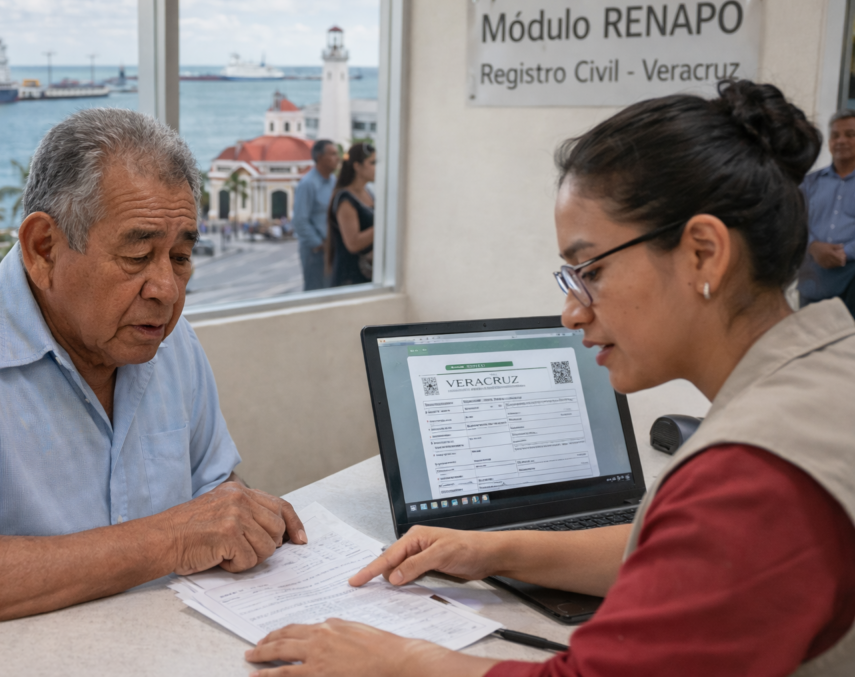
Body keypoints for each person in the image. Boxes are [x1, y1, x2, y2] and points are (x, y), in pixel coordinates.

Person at [243, 81, 855, 677]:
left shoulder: (750, 477)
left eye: (589, 269)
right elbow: (692, 565)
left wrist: (401, 662)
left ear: (703, 253)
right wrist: (493, 548)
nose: (572, 311)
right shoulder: (826, 371)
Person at [0, 108, 306, 675]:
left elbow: (214, 495)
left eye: (181, 257)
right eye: (137, 256)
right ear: (43, 248)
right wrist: (166, 541)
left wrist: (242, 521)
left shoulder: (167, 344)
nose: (166, 289)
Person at [798, 109, 855, 315]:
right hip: (812, 281)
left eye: (850, 135)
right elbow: (794, 223)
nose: (841, 141)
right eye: (835, 135)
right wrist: (813, 247)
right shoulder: (809, 183)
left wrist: (844, 254)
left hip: (851, 282)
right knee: (808, 343)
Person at [325, 143, 375, 287]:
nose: (377, 168)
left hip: (367, 276)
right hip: (350, 278)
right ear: (357, 166)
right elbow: (353, 243)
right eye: (372, 163)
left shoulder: (369, 193)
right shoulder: (345, 200)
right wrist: (383, 226)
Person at [293, 139, 338, 291]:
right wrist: (319, 245)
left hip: (332, 250)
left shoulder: (334, 182)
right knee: (315, 293)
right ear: (320, 157)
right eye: (332, 154)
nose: (337, 158)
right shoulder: (308, 184)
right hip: (316, 253)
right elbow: (300, 220)